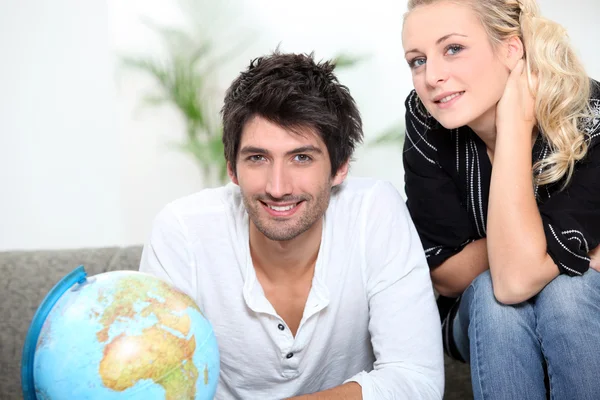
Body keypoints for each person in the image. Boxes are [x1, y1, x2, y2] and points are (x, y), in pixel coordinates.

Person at [139, 51, 444, 399]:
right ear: (232, 168)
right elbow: (153, 387)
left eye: (301, 158)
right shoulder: (182, 231)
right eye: (258, 158)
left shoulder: (374, 211)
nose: (278, 187)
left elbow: (417, 380)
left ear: (340, 167)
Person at [401, 0, 600, 399]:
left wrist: (516, 120)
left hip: (581, 305)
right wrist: (515, 125)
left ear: (511, 51)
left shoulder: (590, 114)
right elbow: (449, 274)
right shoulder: (426, 118)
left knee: (567, 292)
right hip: (472, 315)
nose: (432, 76)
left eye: (453, 48)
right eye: (417, 60)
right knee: (495, 298)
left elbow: (517, 276)